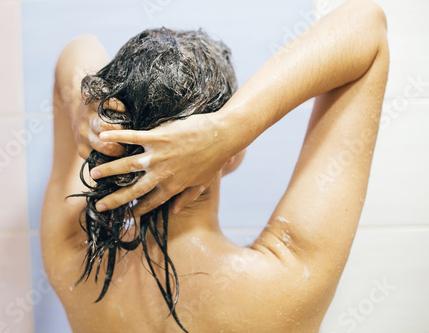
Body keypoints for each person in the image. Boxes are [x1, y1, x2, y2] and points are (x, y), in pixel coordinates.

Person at [41, 0, 389, 332]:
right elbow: (367, 23)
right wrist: (233, 127)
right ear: (231, 155)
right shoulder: (285, 280)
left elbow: (78, 49)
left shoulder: (72, 259)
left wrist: (85, 110)